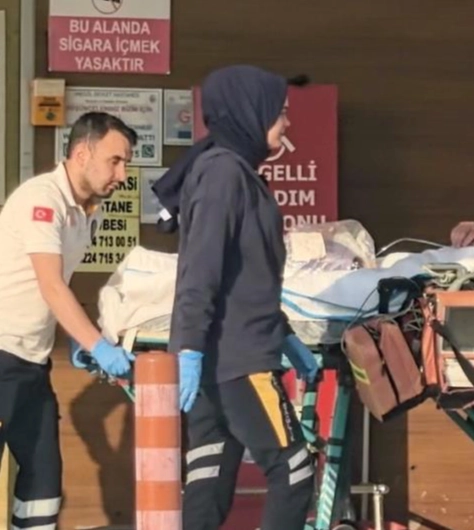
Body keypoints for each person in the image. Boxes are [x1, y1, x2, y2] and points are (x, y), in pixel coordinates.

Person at [157, 65, 318, 530]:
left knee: (208, 481)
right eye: (280, 112)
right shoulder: (225, 174)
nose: (287, 123)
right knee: (294, 470)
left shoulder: (230, 171)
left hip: (219, 358)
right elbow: (200, 269)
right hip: (239, 361)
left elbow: (244, 278)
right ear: (251, 112)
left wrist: (284, 334)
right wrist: (189, 348)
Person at [0, 111, 137, 529]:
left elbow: (59, 286)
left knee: (43, 484)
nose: (123, 174)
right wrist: (96, 344)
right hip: (2, 354)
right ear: (81, 154)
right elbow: (51, 285)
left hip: (31, 362)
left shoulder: (87, 212)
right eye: (115, 161)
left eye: (126, 163)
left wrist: (79, 338)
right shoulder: (43, 200)